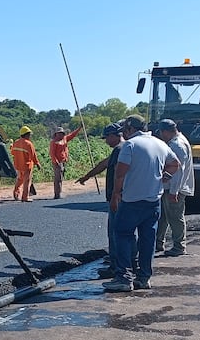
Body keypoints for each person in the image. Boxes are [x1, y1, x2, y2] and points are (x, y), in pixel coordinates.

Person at [103, 115, 180, 292]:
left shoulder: (130, 145)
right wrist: (164, 178)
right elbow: (175, 164)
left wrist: (115, 195)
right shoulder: (160, 144)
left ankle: (124, 278)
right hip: (153, 201)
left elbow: (120, 174)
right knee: (147, 239)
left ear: (130, 129)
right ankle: (144, 278)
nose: (124, 134)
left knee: (122, 235)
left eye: (125, 130)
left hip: (131, 201)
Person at [77, 121, 125, 278]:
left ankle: (116, 267)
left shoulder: (119, 149)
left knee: (115, 232)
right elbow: (103, 164)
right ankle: (122, 262)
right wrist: (87, 176)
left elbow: (118, 174)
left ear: (113, 135)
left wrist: (115, 195)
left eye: (106, 138)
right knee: (122, 232)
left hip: (118, 198)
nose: (106, 141)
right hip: (124, 197)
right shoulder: (124, 148)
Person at [154, 119, 194, 256]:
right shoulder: (177, 142)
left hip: (175, 188)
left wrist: (174, 191)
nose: (161, 136)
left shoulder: (177, 145)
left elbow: (178, 171)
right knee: (164, 217)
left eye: (161, 133)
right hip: (171, 187)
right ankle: (158, 242)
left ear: (165, 131)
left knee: (175, 217)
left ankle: (179, 246)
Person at [49, 125, 82, 199]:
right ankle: (57, 194)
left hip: (63, 161)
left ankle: (59, 192)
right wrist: (56, 162)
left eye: (62, 133)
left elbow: (72, 135)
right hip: (57, 162)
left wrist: (79, 128)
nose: (60, 135)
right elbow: (52, 153)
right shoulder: (54, 142)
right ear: (56, 134)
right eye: (59, 133)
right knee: (58, 178)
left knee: (61, 177)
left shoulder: (65, 139)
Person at [10, 125, 41, 202]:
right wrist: (37, 163)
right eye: (29, 134)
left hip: (18, 166)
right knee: (26, 182)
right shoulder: (28, 144)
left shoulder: (16, 142)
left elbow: (12, 152)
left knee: (19, 180)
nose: (30, 136)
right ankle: (25, 197)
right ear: (26, 134)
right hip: (27, 166)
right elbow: (33, 155)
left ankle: (16, 194)